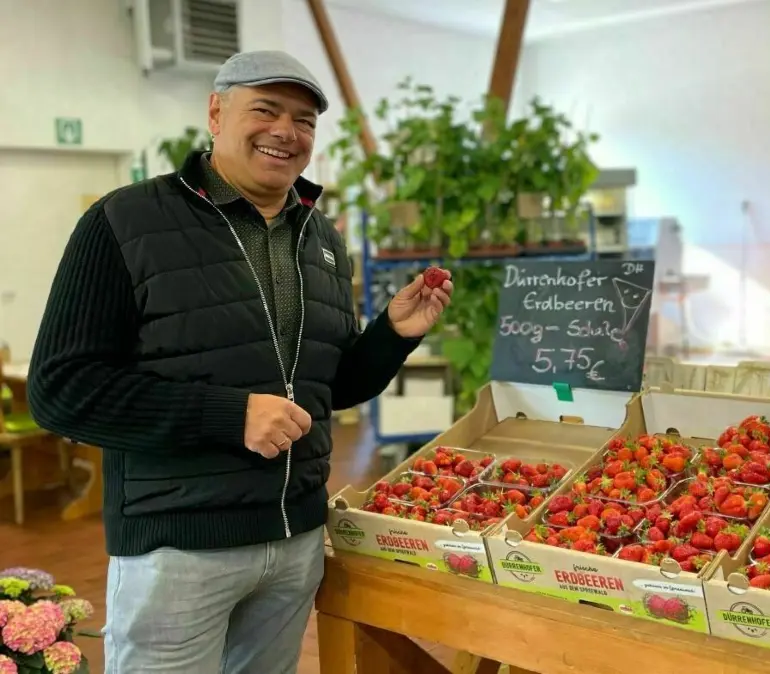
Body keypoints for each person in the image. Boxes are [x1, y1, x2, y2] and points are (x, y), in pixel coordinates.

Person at [27, 51, 452, 673]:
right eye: (266, 109)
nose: (286, 131)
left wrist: (392, 334)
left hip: (295, 542)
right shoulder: (124, 220)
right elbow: (60, 390)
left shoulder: (322, 238)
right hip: (179, 547)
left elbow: (327, 388)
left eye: (304, 120)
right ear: (216, 113)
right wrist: (229, 416)